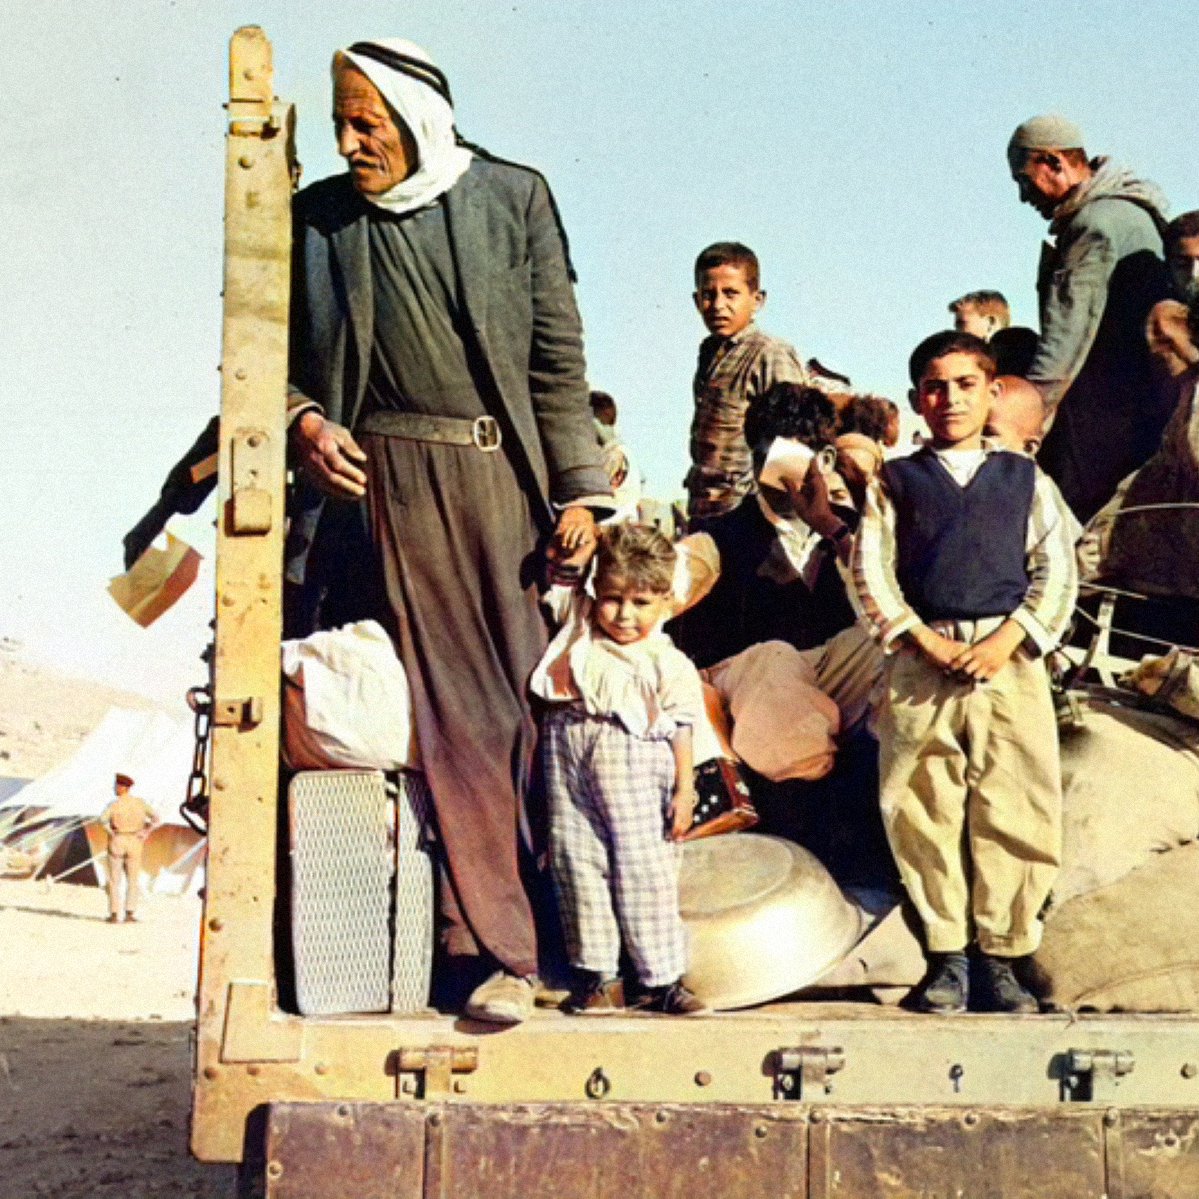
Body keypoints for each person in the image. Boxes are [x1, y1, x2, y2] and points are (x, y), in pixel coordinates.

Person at [284, 39, 612, 1025]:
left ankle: (554, 940)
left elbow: (556, 358)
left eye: (366, 124)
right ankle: (484, 950)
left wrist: (579, 492)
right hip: (378, 495)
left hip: (499, 491)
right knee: (440, 716)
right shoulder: (319, 220)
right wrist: (305, 423)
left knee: (520, 715)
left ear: (417, 117)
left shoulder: (512, 197)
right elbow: (273, 358)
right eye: (339, 125)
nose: (350, 143)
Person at [852, 331, 1078, 1014]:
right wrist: (922, 640)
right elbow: (869, 571)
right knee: (923, 803)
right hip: (923, 663)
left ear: (990, 391)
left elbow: (1056, 569)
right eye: (934, 386)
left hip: (1007, 662)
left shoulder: (1024, 479)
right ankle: (946, 954)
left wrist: (1008, 640)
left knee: (1015, 801)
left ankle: (1002, 957)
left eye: (964, 384)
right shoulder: (895, 481)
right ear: (916, 398)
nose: (949, 399)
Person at [530, 523, 706, 1015]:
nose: (624, 615)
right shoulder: (579, 625)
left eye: (641, 603)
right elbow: (564, 580)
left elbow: (683, 728)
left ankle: (660, 979)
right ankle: (600, 977)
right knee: (577, 860)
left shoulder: (667, 661)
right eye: (612, 599)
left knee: (643, 868)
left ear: (665, 601)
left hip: (632, 757)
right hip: (567, 747)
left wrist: (685, 791)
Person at [1007, 114, 1172, 521]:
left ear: (1053, 162)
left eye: (1024, 180)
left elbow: (1067, 338)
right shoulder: (1130, 213)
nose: (1024, 197)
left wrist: (1025, 419)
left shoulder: (1093, 225)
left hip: (1104, 418)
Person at [675, 243, 808, 663]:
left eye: (731, 293)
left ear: (757, 299)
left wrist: (773, 519)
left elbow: (793, 438)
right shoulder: (709, 353)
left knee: (753, 648)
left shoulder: (769, 353)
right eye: (708, 294)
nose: (718, 304)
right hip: (707, 512)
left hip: (749, 519)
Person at [100, 773, 159, 924]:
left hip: (118, 839)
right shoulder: (140, 803)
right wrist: (146, 832)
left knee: (114, 879)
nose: (114, 788)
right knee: (133, 879)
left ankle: (114, 914)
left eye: (116, 786)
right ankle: (130, 912)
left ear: (122, 788)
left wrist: (111, 832)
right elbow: (156, 818)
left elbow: (102, 820)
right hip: (135, 840)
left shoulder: (114, 805)